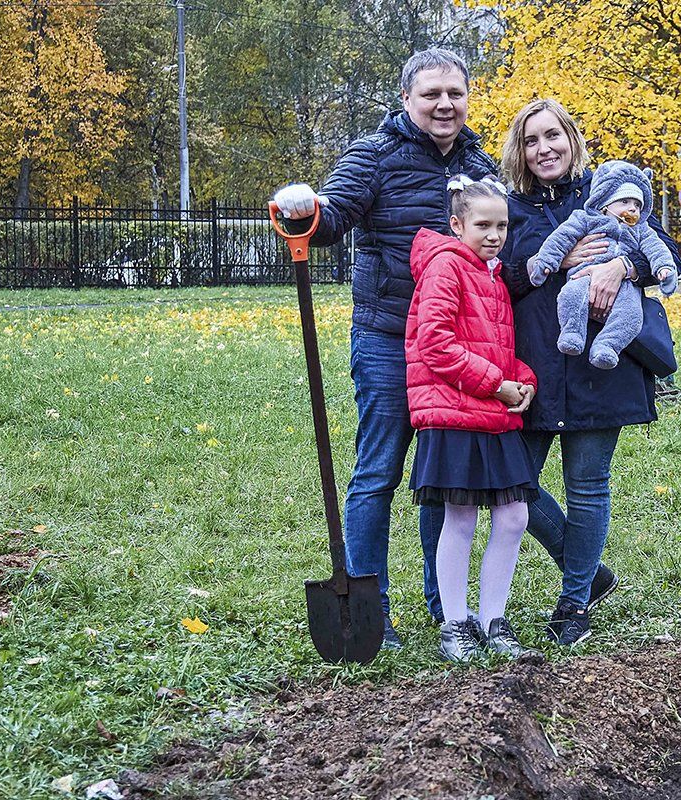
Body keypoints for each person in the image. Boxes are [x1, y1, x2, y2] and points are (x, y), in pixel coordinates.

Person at [270, 48, 498, 649]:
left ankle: (443, 608)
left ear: (468, 97)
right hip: (388, 337)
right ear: (407, 100)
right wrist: (306, 214)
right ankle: (370, 612)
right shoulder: (373, 155)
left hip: (452, 347)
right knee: (378, 473)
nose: (445, 104)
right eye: (432, 94)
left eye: (455, 93)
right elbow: (333, 215)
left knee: (441, 477)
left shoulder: (480, 165)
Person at [499, 98, 666, 645]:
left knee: (588, 487)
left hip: (602, 367)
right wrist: (557, 263)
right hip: (539, 364)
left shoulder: (610, 190)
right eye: (531, 140)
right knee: (513, 482)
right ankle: (589, 572)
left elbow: (660, 251)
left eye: (554, 136)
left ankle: (573, 605)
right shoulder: (510, 208)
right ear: (519, 151)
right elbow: (498, 277)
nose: (544, 148)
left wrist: (621, 265)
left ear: (572, 139)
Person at [406, 176, 541, 662]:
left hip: (493, 409)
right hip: (454, 412)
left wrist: (521, 379)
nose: (494, 234)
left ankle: (493, 619)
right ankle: (455, 624)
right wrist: (496, 384)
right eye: (482, 225)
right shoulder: (446, 267)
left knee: (514, 515)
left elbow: (500, 347)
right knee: (459, 518)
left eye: (502, 225)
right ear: (457, 224)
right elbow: (435, 344)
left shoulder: (494, 274)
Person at [529, 159, 679, 369]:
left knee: (631, 316)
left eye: (637, 205)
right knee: (571, 296)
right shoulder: (585, 219)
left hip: (625, 287)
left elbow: (658, 249)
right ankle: (572, 334)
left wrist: (664, 268)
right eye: (625, 202)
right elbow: (560, 238)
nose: (633, 209)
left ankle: (607, 346)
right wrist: (546, 260)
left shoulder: (642, 229)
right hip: (583, 276)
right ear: (606, 202)